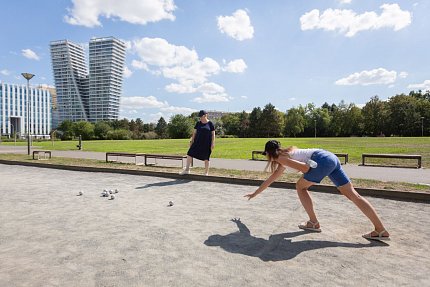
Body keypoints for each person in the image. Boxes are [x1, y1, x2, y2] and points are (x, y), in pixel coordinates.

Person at [244, 140, 390, 241]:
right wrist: (255, 193)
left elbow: (306, 168)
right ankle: (380, 230)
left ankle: (313, 222)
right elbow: (271, 179)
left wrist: (308, 170)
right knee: (354, 195)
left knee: (300, 187)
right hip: (331, 158)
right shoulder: (288, 152)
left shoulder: (282, 159)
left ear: (269, 154)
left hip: (322, 161)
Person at [180, 110, 215, 176]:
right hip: (197, 142)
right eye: (199, 117)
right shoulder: (198, 123)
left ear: (205, 115)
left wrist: (213, 143)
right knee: (190, 153)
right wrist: (191, 141)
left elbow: (213, 134)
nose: (200, 118)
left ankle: (206, 172)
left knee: (206, 158)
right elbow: (194, 133)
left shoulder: (210, 124)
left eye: (201, 116)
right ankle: (187, 170)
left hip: (206, 143)